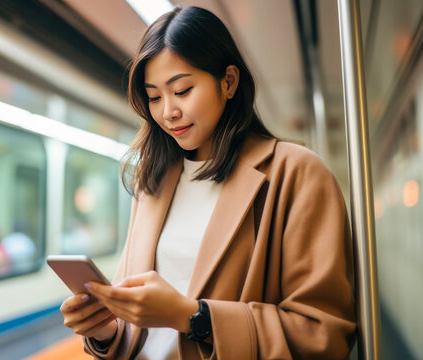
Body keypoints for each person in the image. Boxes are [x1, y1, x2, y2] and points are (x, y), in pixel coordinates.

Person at [60, 6, 356, 359]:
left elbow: (324, 334)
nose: (168, 111)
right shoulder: (152, 183)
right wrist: (106, 330)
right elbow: (138, 333)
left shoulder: (297, 173)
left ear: (228, 82)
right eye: (154, 97)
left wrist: (193, 317)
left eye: (182, 91)